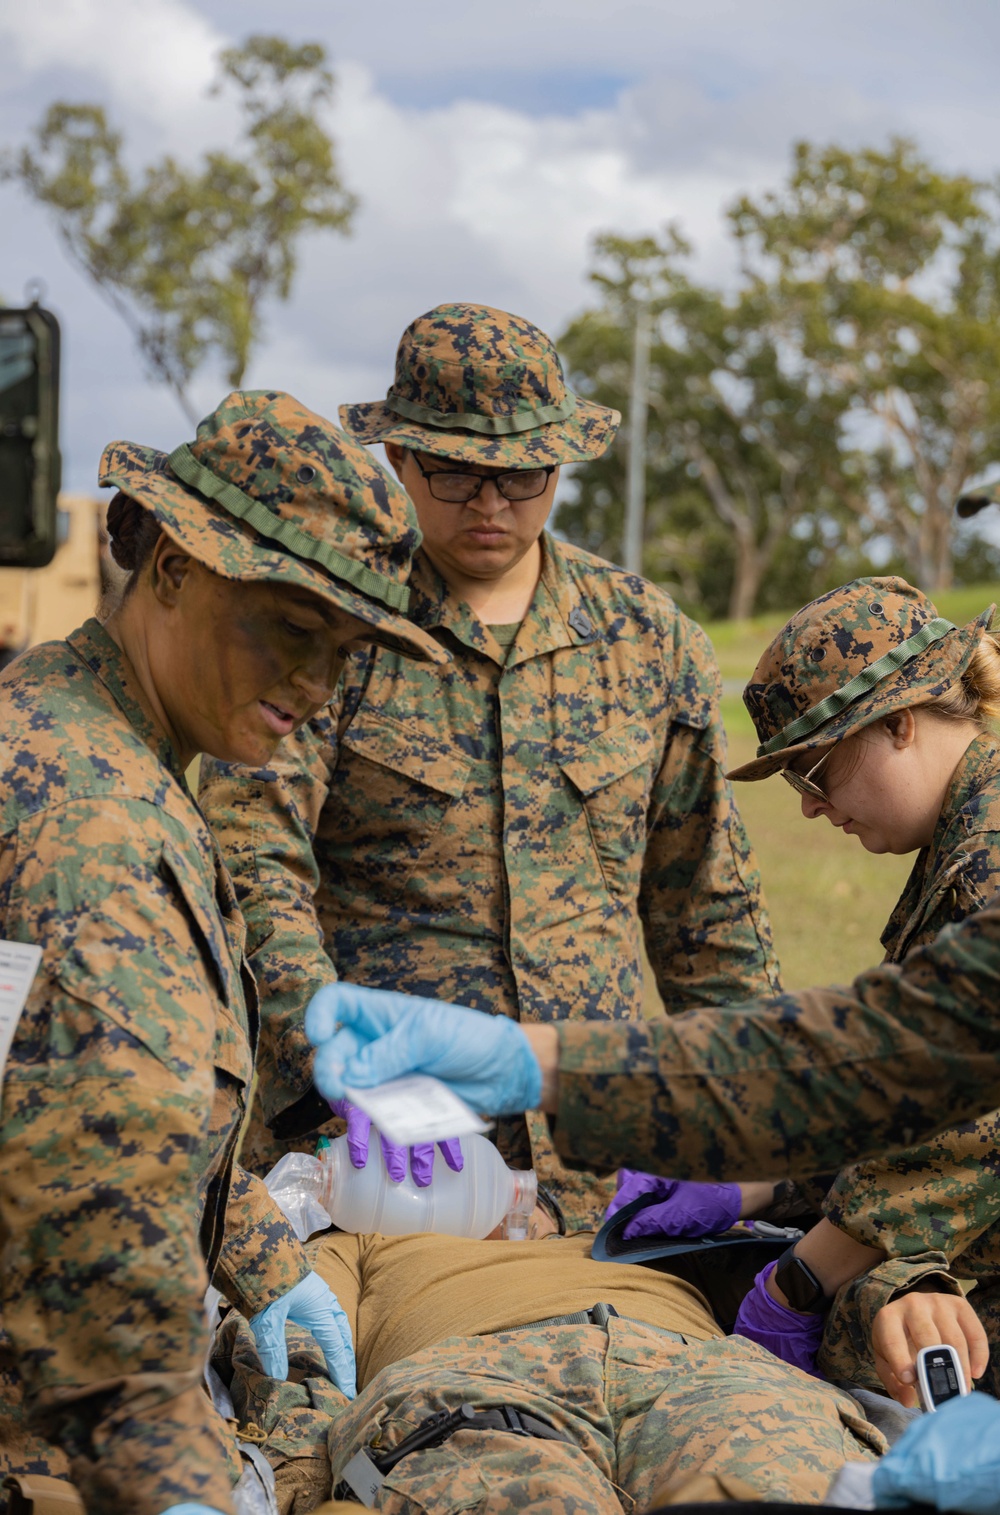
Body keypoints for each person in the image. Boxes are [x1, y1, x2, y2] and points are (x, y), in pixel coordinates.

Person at [200, 302, 780, 1229]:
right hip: (383, 1170)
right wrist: (328, 1088)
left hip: (604, 1168)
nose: (491, 506)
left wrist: (761, 1137)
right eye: (458, 473)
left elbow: (706, 916)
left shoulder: (646, 640)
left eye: (523, 477)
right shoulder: (334, 627)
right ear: (397, 456)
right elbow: (253, 868)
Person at [0, 389, 446, 1515]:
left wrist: (253, 1245)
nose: (312, 687)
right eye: (290, 630)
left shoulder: (66, 726)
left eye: (342, 652)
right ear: (171, 572)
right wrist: (179, 1483)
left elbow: (65, 1091)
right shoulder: (102, 841)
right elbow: (102, 1301)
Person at [602, 578, 1000, 1402]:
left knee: (878, 1323)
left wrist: (796, 1287)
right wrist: (759, 1181)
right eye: (795, 783)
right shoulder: (967, 831)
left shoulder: (989, 861)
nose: (814, 807)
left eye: (816, 769)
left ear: (900, 720)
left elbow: (960, 1131)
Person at [211, 1226, 886, 1511]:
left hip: (708, 1374)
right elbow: (286, 1340)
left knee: (779, 1487)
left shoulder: (647, 1228)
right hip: (483, 1381)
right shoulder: (358, 1238)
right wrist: (305, 1467)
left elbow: (836, 1259)